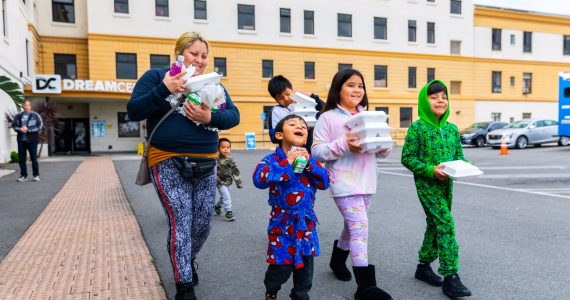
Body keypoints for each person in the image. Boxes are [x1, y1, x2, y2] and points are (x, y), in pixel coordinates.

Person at [127, 32, 240, 300]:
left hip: (206, 162)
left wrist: (208, 115)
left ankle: (184, 263)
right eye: (194, 54)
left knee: (202, 225)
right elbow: (134, 111)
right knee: (181, 222)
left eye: (204, 56)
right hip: (166, 159)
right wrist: (165, 89)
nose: (199, 60)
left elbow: (233, 116)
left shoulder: (213, 84)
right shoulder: (157, 78)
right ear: (179, 53)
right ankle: (184, 287)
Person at [312, 68, 392, 300]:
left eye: (360, 85)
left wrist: (384, 145)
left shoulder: (368, 116)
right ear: (338, 89)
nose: (357, 90)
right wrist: (344, 144)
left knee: (352, 227)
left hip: (368, 184)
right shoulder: (327, 118)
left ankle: (337, 262)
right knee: (360, 229)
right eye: (350, 85)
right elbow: (317, 152)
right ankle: (365, 287)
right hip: (344, 185)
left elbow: (380, 150)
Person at [401, 80, 472, 299]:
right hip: (427, 185)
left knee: (435, 224)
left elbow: (458, 156)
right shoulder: (418, 127)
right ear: (425, 101)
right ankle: (451, 276)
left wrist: (465, 167)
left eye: (444, 96)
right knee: (445, 223)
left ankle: (423, 266)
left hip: (446, 185)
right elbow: (407, 158)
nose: (440, 100)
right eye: (434, 97)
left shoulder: (451, 129)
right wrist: (431, 170)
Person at [252, 114, 329, 300]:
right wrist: (286, 163)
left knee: (306, 266)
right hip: (282, 223)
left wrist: (309, 163)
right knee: (281, 265)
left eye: (303, 126)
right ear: (279, 135)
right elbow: (259, 179)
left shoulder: (310, 158)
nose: (300, 127)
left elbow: (325, 181)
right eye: (293, 124)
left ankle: (300, 295)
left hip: (306, 223)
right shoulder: (272, 160)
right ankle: (272, 289)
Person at [267, 75, 325, 151]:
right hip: (288, 153)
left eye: (287, 94)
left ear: (292, 90)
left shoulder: (305, 103)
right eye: (280, 98)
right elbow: (273, 137)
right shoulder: (276, 111)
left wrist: (313, 96)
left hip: (310, 151)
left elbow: (328, 110)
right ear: (276, 100)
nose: (286, 99)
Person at [11, 100, 43, 182]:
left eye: (28, 105)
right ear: (23, 106)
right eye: (25, 105)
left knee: (34, 158)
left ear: (30, 106)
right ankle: (23, 175)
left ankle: (36, 175)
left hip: (32, 140)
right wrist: (20, 129)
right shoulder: (18, 115)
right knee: (21, 159)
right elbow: (13, 125)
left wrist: (29, 130)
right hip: (21, 141)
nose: (26, 107)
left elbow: (40, 125)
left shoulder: (35, 115)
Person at [215, 138, 243, 221]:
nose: (226, 149)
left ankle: (217, 206)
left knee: (223, 198)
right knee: (227, 197)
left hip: (229, 182)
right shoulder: (216, 159)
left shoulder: (231, 160)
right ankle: (228, 213)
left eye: (228, 147)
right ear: (218, 148)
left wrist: (239, 183)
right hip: (220, 182)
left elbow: (236, 172)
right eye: (223, 147)